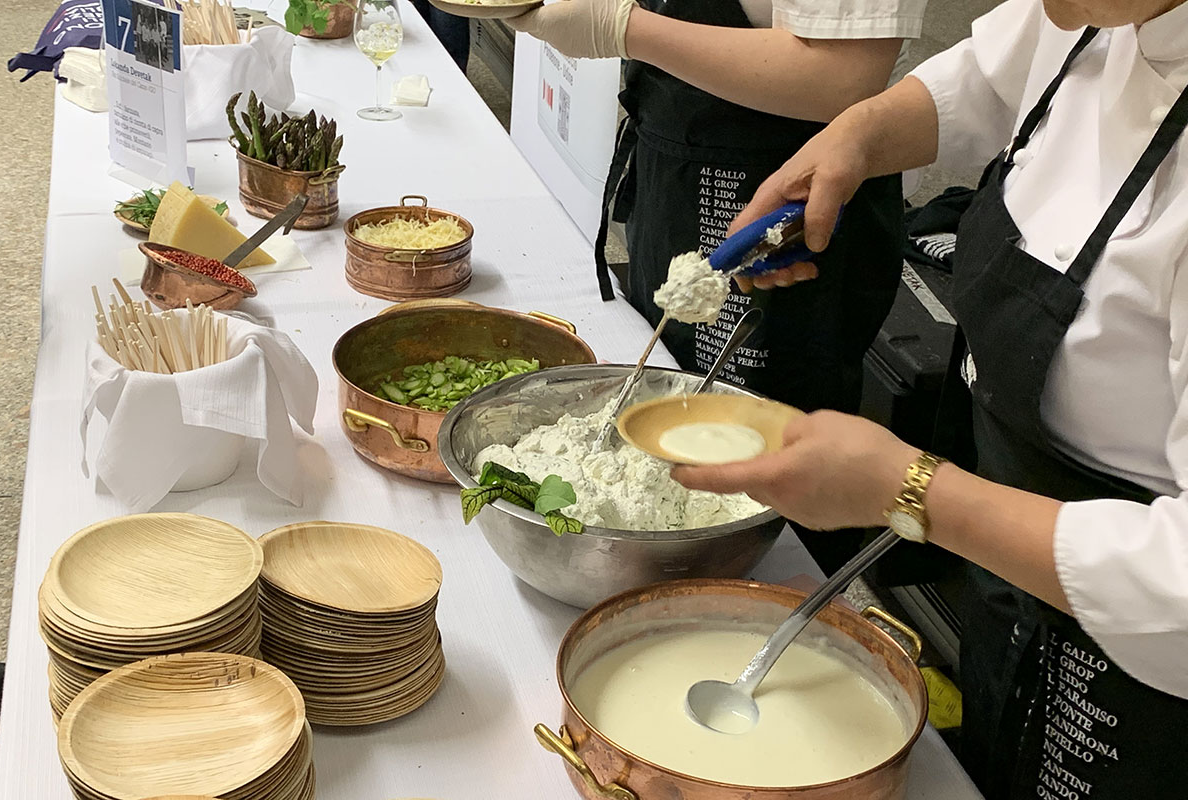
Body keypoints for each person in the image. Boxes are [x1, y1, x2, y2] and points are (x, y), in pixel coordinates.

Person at [673, 0, 1188, 797]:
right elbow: (985, 78)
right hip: (1014, 573)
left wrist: (913, 491)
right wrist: (858, 138)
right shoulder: (1104, 12)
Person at [508, 0, 923, 416]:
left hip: (786, 178)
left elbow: (843, 76)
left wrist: (621, 30)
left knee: (758, 425)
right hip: (674, 154)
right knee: (661, 378)